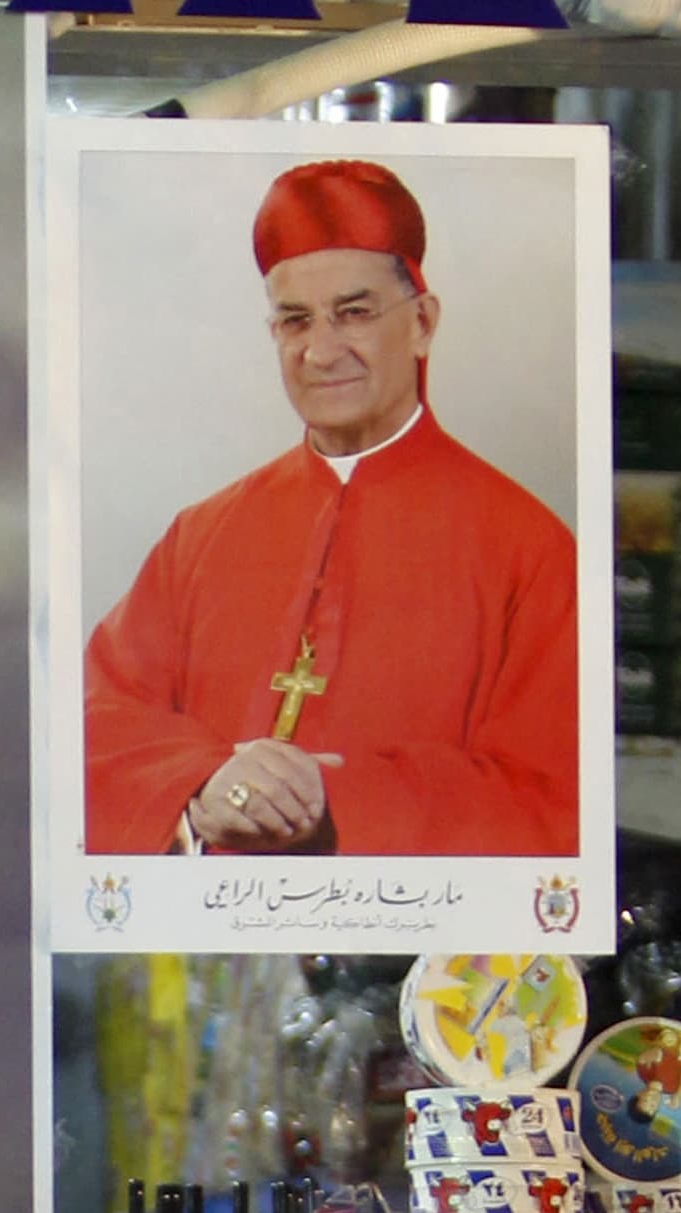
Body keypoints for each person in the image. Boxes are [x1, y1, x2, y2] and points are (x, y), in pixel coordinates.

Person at [82, 158, 580, 858]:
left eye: (354, 312)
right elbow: (94, 721)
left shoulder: (530, 548)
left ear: (423, 324)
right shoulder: (201, 536)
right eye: (294, 321)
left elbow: (553, 800)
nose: (320, 350)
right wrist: (202, 786)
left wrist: (336, 802)